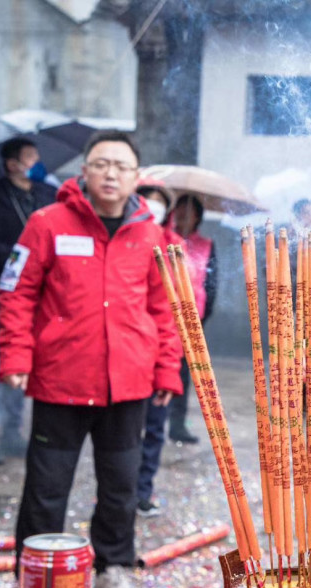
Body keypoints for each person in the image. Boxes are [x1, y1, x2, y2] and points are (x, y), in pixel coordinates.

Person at [0, 130, 182, 588]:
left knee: (120, 487)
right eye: (101, 164)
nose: (111, 174)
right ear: (84, 171)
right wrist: (16, 357)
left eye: (121, 166)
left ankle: (112, 573)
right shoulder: (47, 223)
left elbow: (163, 308)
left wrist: (167, 370)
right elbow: (16, 292)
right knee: (46, 488)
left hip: (128, 385)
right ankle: (35, 578)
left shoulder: (149, 231)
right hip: (61, 380)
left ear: (136, 178)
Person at [0, 138, 57, 465]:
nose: (37, 161)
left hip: (41, 299)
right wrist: (20, 257)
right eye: (31, 157)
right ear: (12, 164)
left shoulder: (47, 196)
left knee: (25, 365)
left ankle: (13, 433)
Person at [134, 180, 180, 518]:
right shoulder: (125, 242)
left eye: (159, 202)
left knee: (154, 428)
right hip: (130, 353)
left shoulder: (174, 246)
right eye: (146, 200)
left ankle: (142, 490)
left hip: (162, 349)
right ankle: (121, 492)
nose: (154, 207)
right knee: (121, 436)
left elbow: (174, 309)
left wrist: (169, 364)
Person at [164, 194, 217, 445]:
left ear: (198, 217)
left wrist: (201, 318)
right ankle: (153, 421)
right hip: (163, 319)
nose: (184, 216)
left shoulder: (207, 245)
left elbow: (212, 283)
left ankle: (177, 424)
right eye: (180, 211)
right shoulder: (162, 240)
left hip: (191, 321)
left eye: (190, 212)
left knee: (185, 375)